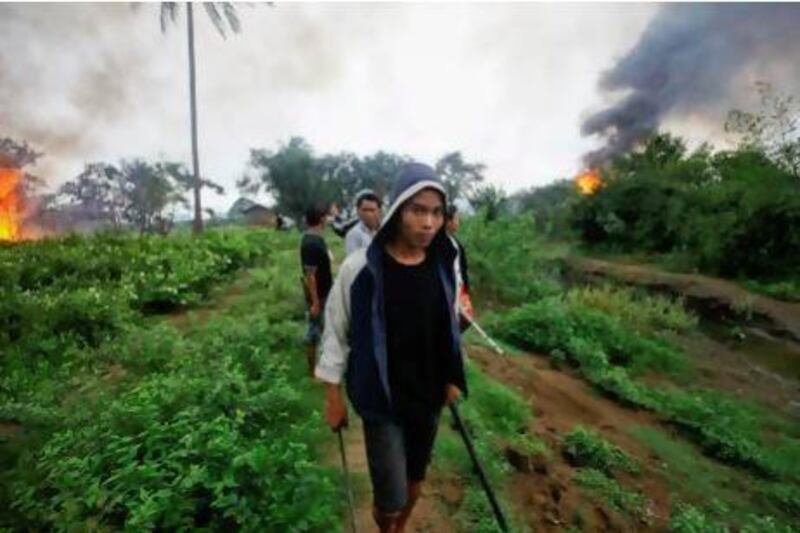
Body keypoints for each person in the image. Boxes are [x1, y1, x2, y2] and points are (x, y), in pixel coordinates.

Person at [316, 163, 468, 533]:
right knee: (390, 497)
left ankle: (398, 529)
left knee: (416, 478)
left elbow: (448, 328)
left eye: (435, 212)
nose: (428, 223)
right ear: (399, 210)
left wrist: (452, 378)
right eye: (418, 210)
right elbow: (335, 332)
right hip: (381, 399)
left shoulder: (445, 266)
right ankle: (388, 525)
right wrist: (333, 397)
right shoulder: (360, 270)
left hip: (428, 394)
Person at [300, 204, 333, 377]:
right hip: (319, 295)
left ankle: (321, 368)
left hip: (324, 292)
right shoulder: (311, 243)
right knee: (315, 332)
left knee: (324, 330)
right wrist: (314, 302)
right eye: (326, 217)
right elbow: (310, 275)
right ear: (321, 219)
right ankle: (314, 371)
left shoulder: (316, 238)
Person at [446, 204, 474, 328]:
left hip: (459, 291)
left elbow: (462, 270)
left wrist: (465, 292)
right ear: (448, 221)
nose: (458, 222)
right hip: (448, 292)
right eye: (456, 219)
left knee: (465, 320)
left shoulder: (456, 244)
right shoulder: (438, 244)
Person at [344, 189, 382, 256]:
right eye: (365, 210)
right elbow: (354, 262)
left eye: (372, 210)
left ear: (379, 211)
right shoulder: (354, 235)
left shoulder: (384, 231)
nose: (368, 214)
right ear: (358, 211)